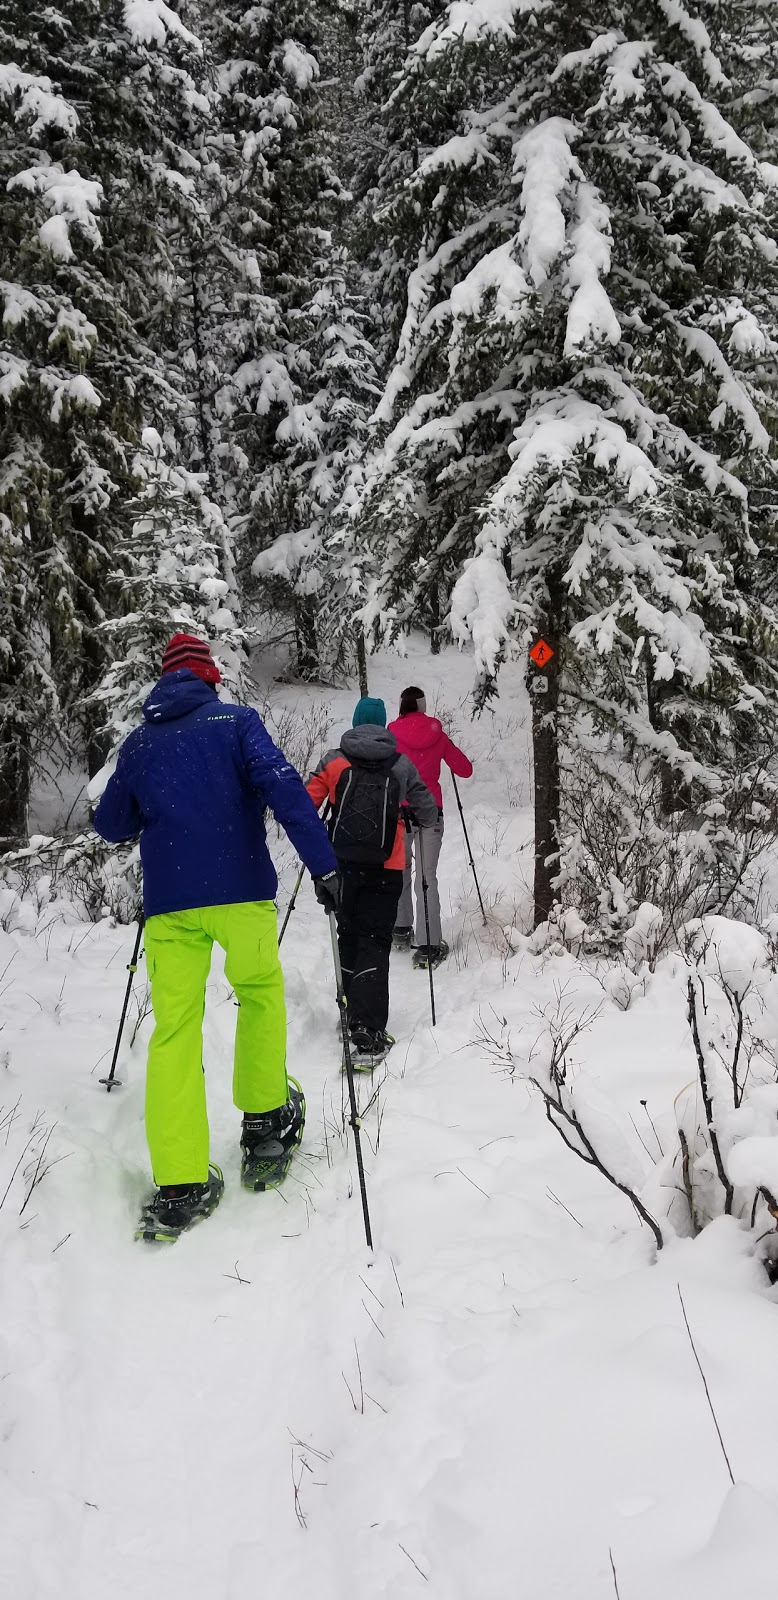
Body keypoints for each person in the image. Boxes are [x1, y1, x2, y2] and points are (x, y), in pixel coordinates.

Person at [93, 632, 340, 1241]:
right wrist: (324, 865)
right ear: (209, 677)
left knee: (174, 1030)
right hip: (241, 895)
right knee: (257, 994)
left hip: (172, 907)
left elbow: (111, 823)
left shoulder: (140, 744)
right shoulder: (235, 722)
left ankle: (180, 1182)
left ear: (163, 680)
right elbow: (283, 787)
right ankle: (264, 1123)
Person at [306, 696, 437, 1061]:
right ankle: (368, 1029)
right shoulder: (400, 764)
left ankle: (350, 1009)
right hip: (387, 865)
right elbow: (426, 811)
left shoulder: (334, 760)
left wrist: (321, 836)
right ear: (383, 724)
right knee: (375, 941)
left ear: (355, 720)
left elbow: (305, 803)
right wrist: (411, 817)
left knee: (347, 934)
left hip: (341, 866)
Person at [388, 686, 473, 968]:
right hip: (431, 812)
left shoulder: (392, 731)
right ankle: (428, 945)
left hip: (401, 812)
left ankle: (400, 929)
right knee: (427, 877)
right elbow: (464, 769)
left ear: (402, 705)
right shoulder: (436, 732)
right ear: (423, 706)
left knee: (401, 870)